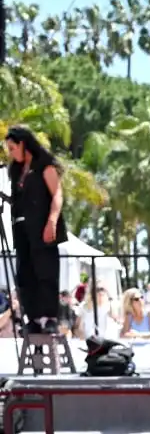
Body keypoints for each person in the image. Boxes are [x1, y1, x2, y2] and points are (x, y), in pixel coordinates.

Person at [4, 125, 67, 335]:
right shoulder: (16, 171)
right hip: (21, 228)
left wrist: (52, 221)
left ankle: (49, 318)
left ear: (23, 144)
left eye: (13, 148)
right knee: (25, 274)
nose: (11, 153)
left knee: (46, 272)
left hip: (42, 227)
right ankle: (32, 318)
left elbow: (57, 195)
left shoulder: (44, 167)